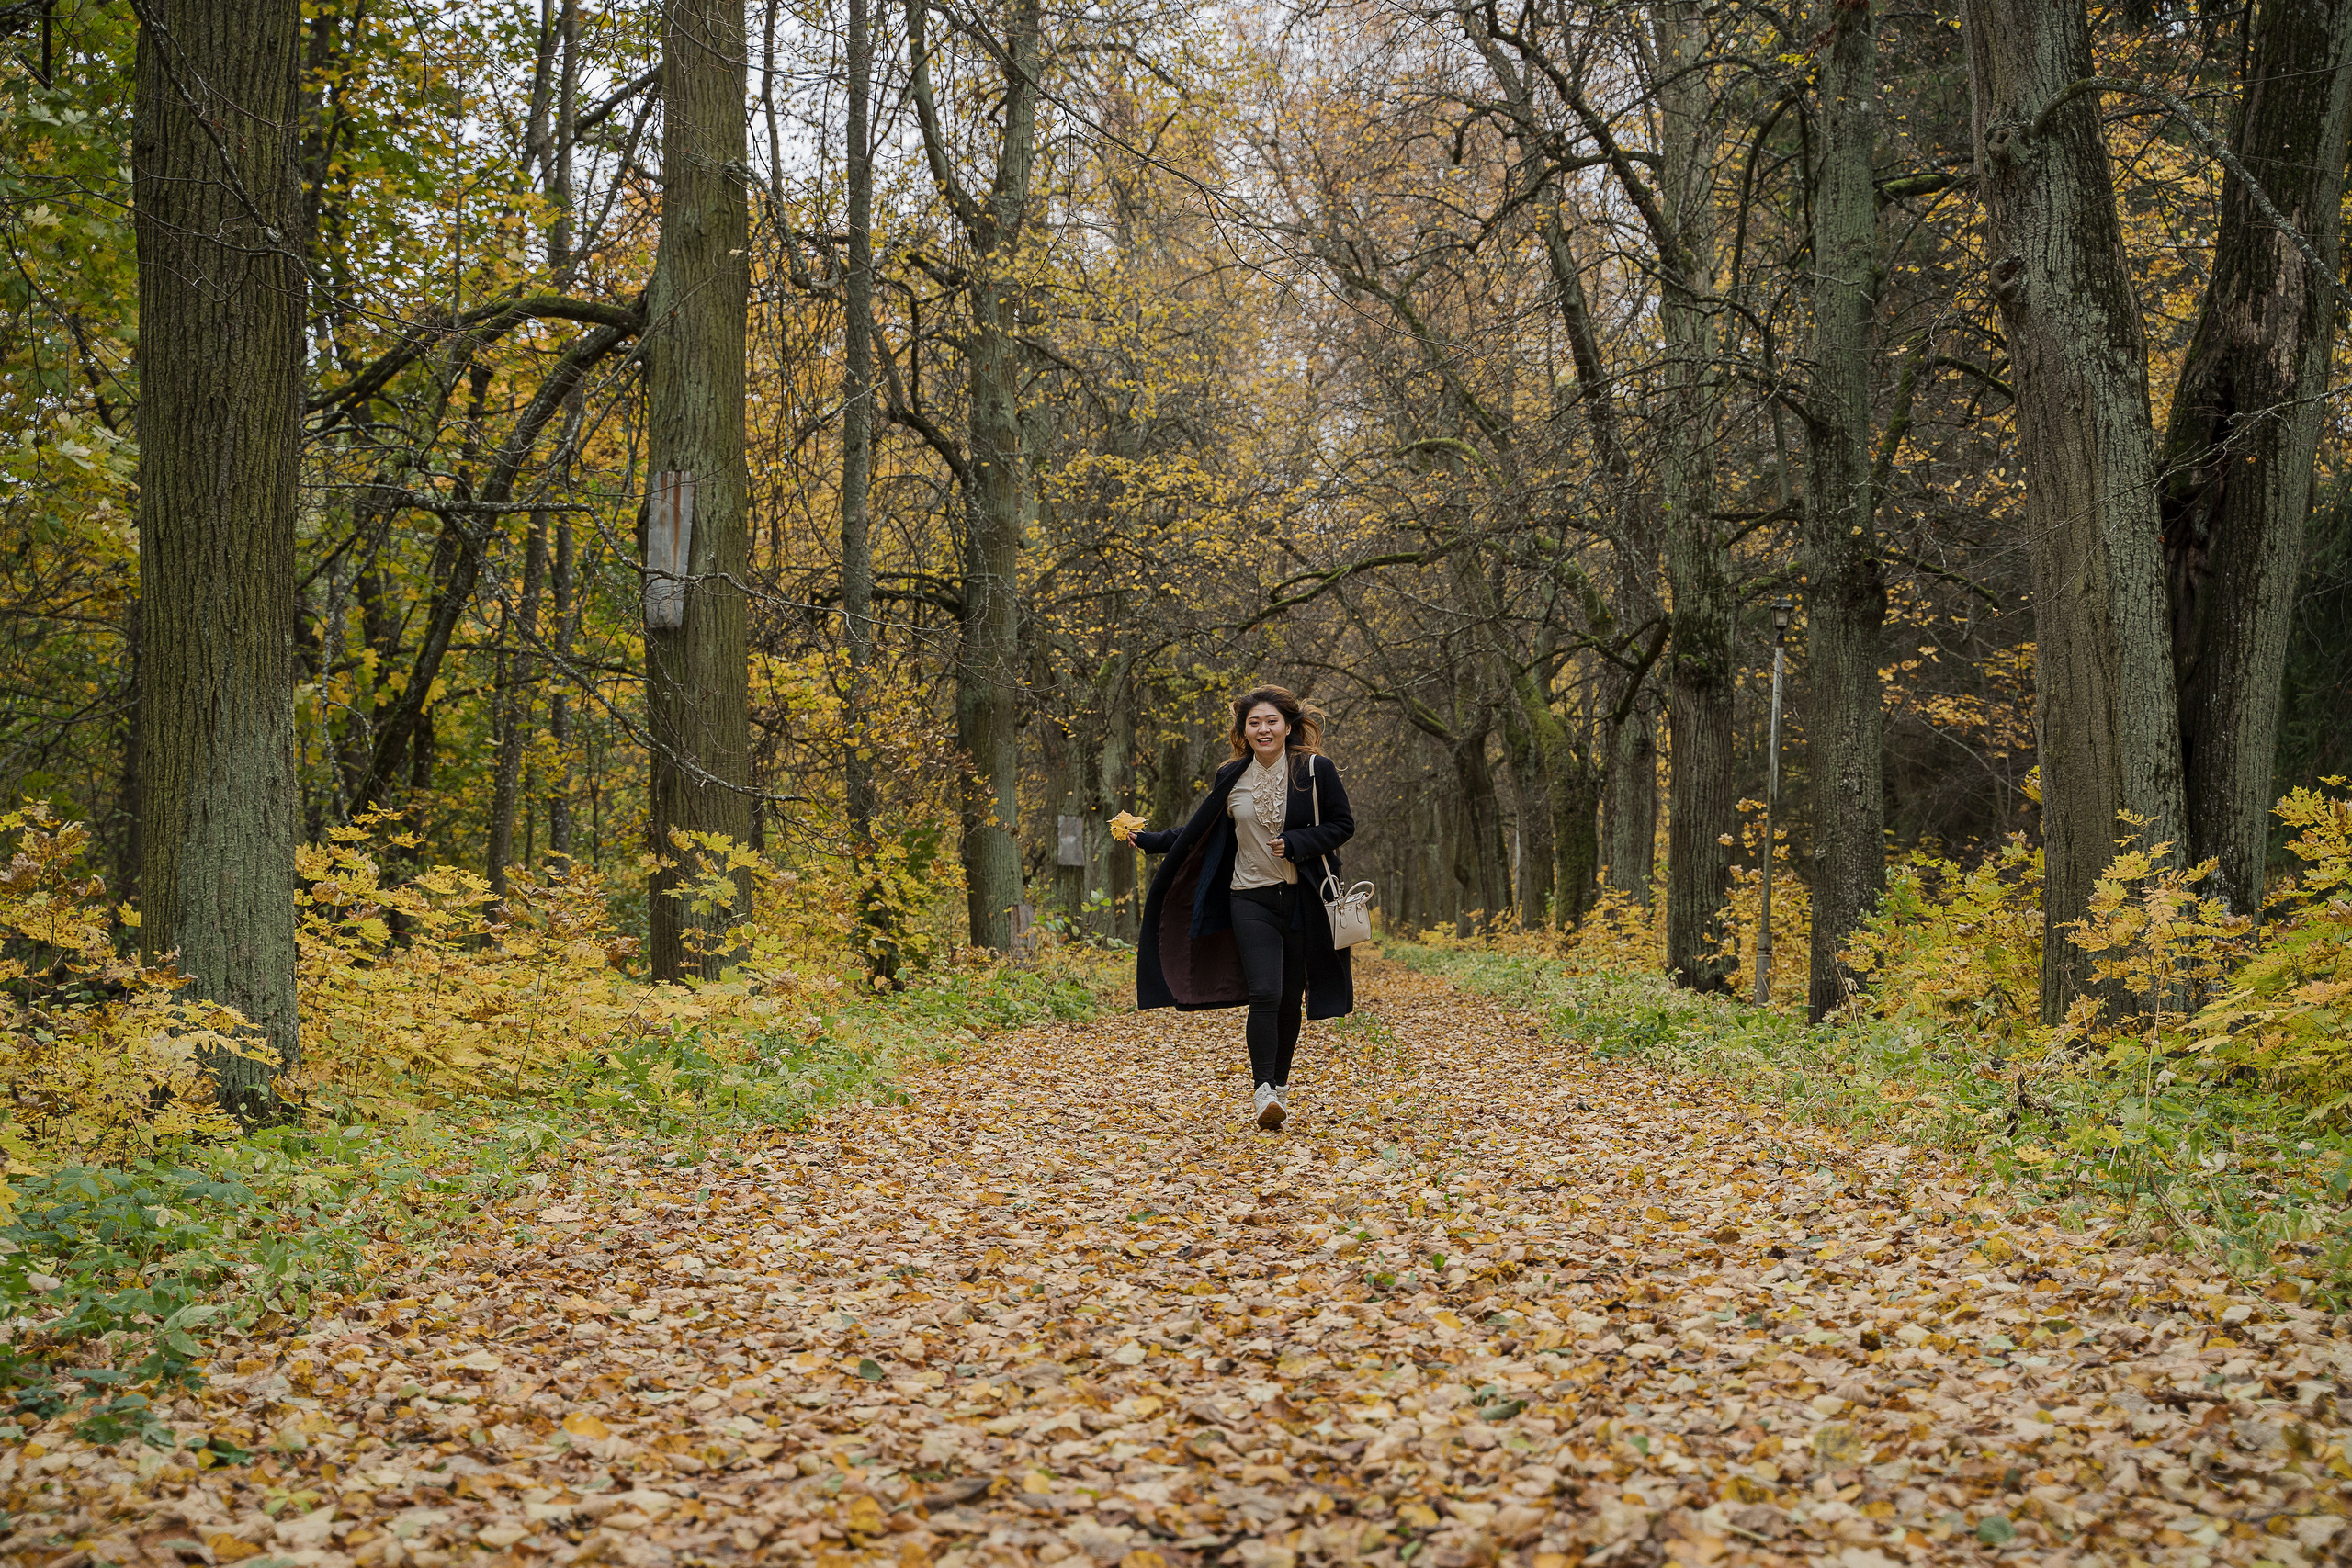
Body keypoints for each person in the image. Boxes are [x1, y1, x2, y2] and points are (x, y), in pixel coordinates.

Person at [1120, 685, 1356, 1130]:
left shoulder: (1313, 770)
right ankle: (1263, 1089)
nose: (1263, 729)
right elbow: (1200, 829)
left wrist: (1297, 843)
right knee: (1265, 991)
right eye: (1254, 723)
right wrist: (1152, 842)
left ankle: (1279, 1085)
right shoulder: (1232, 775)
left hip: (1303, 899)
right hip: (1248, 897)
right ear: (1243, 731)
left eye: (1271, 721)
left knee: (1289, 996)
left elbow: (1343, 824)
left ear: (1287, 726)